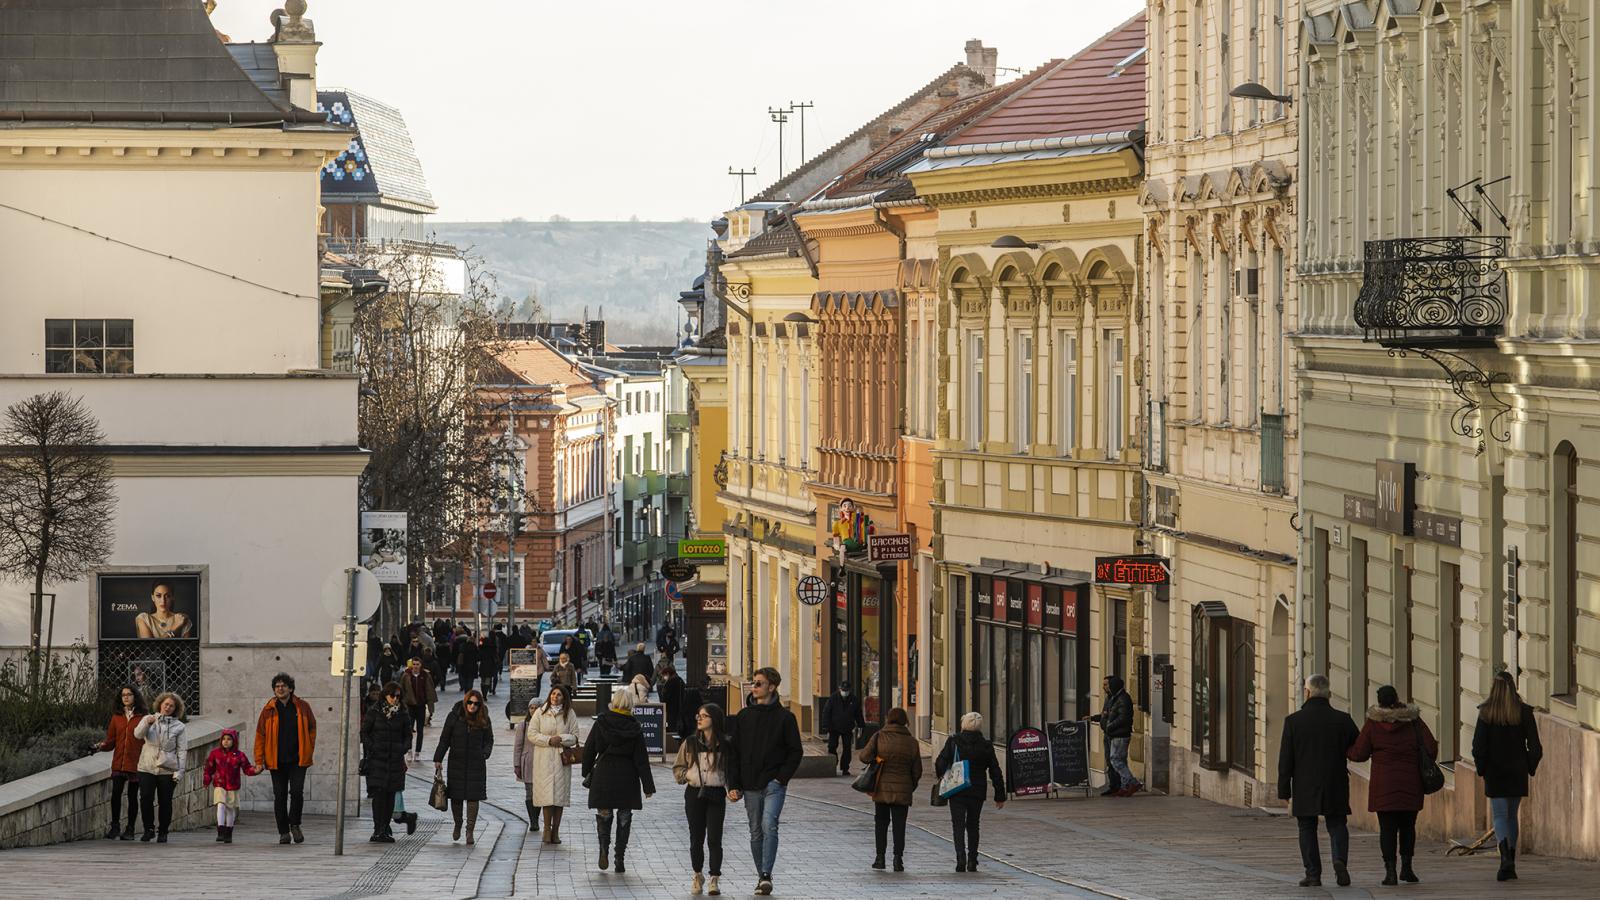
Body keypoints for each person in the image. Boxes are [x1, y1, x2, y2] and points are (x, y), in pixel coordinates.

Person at [1347, 685, 1437, 885]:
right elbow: (1431, 747)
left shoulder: (1373, 724)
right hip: (1410, 782)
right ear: (1397, 698)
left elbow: (1359, 754)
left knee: (1387, 829)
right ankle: (1407, 868)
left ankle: (1390, 873)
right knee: (1408, 827)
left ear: (1379, 701)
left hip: (1384, 785)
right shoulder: (1413, 721)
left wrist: (1346, 750)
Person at [1278, 673, 1360, 888]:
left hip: (1305, 783)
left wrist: (1284, 791)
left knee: (1306, 827)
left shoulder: (1294, 721)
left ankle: (1313, 874)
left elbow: (1285, 759)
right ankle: (1339, 859)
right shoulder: (1343, 720)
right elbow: (1357, 747)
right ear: (1329, 694)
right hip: (1335, 780)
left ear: (1307, 692)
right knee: (1337, 824)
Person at [728, 667, 802, 896]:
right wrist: (734, 785)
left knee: (769, 825)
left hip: (773, 784)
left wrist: (780, 779)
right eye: (753, 683)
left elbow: (795, 752)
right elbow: (734, 753)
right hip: (749, 783)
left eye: (759, 683)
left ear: (771, 687)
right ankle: (761, 876)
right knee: (755, 831)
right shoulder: (744, 716)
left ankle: (766, 874)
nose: (754, 686)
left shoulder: (785, 718)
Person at [1472, 669, 1543, 882]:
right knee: (1511, 816)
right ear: (1513, 688)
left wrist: (1481, 768)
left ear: (1494, 688)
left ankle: (1505, 860)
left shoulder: (1486, 713)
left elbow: (1478, 746)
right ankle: (1510, 859)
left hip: (1495, 771)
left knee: (1501, 816)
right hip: (1517, 771)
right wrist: (1529, 766)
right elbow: (1536, 747)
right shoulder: (1523, 712)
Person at [583, 686, 656, 873]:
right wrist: (648, 786)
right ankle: (619, 856)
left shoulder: (601, 723)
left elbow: (589, 749)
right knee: (624, 816)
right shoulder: (634, 727)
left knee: (604, 813)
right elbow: (641, 759)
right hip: (627, 775)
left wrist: (586, 772)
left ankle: (603, 849)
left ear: (614, 703)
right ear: (630, 705)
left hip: (604, 773)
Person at [674, 703, 734, 896]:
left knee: (715, 838)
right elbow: (678, 766)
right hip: (694, 793)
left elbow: (731, 770)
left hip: (716, 794)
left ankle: (714, 878)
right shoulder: (690, 742)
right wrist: (687, 776)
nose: (699, 719)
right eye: (698, 715)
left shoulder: (725, 744)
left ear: (714, 720)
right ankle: (697, 874)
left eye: (704, 716)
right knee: (696, 838)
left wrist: (732, 788)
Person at [935, 711, 1006, 872]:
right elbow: (995, 770)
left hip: (957, 788)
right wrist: (999, 795)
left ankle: (961, 857)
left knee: (958, 824)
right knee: (974, 825)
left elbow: (940, 763)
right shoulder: (986, 745)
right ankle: (973, 860)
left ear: (963, 724)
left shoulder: (954, 741)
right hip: (977, 789)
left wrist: (942, 774)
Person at [254, 672, 317, 845]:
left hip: (298, 759)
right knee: (279, 795)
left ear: (290, 688)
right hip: (276, 760)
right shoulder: (268, 710)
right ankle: (283, 831)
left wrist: (308, 748)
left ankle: (295, 824)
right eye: (277, 686)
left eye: (283, 686)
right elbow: (260, 735)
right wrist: (259, 760)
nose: (280, 689)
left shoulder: (302, 706)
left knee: (297, 793)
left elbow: (312, 727)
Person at [859, 707, 922, 872]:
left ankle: (880, 858)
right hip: (903, 790)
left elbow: (863, 757)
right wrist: (910, 785)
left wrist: (877, 759)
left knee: (881, 823)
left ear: (888, 719)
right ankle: (898, 860)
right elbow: (917, 771)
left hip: (881, 788)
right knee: (899, 825)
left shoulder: (879, 737)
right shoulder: (912, 742)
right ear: (905, 721)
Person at [515, 684, 579, 844]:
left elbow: (575, 736)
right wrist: (549, 740)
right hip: (543, 759)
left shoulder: (569, 713)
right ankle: (546, 830)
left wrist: (562, 739)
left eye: (558, 695)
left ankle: (556, 831)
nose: (555, 697)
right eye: (553, 694)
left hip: (561, 760)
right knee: (546, 797)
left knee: (559, 798)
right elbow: (532, 734)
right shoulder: (540, 712)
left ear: (564, 697)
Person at [434, 688, 494, 844]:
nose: (472, 706)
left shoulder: (484, 719)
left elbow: (489, 740)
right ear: (465, 701)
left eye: (476, 703)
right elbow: (444, 739)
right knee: (456, 796)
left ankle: (470, 831)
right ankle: (458, 823)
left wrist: (485, 753)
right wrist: (438, 758)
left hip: (476, 763)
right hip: (457, 762)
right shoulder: (454, 716)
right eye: (470, 702)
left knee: (474, 797)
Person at [90, 684, 148, 840]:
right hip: (119, 762)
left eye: (129, 694)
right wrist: (99, 747)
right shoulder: (117, 717)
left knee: (132, 796)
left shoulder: (143, 717)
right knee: (115, 794)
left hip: (136, 763)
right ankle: (114, 827)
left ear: (135, 696)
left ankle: (130, 829)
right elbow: (111, 741)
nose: (126, 697)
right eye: (123, 695)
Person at [360, 681, 414, 843]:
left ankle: (384, 829)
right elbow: (364, 732)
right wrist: (372, 747)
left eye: (398, 696)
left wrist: (403, 748)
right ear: (386, 695)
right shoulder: (374, 712)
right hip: (378, 760)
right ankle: (378, 829)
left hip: (395, 761)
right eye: (393, 696)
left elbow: (408, 735)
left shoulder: (403, 714)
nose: (395, 699)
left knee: (390, 795)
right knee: (379, 795)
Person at [133, 691, 188, 843]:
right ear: (160, 705)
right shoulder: (149, 719)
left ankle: (163, 831)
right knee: (145, 798)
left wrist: (179, 772)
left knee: (165, 801)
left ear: (175, 709)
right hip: (146, 766)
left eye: (171, 706)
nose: (168, 707)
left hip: (167, 769)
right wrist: (146, 723)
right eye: (166, 704)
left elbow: (182, 750)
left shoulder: (180, 727)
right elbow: (137, 735)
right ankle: (148, 829)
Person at [202, 727, 261, 843]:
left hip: (233, 786)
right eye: (224, 739)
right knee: (220, 805)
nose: (226, 741)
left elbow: (247, 768)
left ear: (234, 741)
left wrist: (256, 770)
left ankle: (228, 832)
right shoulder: (215, 754)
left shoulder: (239, 755)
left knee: (230, 808)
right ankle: (220, 830)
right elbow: (208, 768)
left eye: (229, 739)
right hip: (219, 784)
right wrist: (206, 780)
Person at [1085, 675, 1140, 796]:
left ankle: (1133, 782)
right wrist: (1093, 718)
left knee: (1116, 760)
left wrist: (1109, 726)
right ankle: (1121, 786)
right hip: (1110, 734)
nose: (1104, 687)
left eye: (1106, 685)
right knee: (1114, 761)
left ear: (1113, 685)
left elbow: (1123, 718)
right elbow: (1106, 715)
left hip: (1119, 735)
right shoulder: (1111, 698)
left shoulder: (1123, 699)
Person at [822, 681, 866, 776]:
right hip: (834, 728)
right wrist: (826, 726)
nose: (845, 692)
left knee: (847, 748)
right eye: (843, 690)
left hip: (847, 727)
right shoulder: (833, 698)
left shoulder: (853, 700)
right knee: (832, 747)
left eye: (846, 690)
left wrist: (861, 725)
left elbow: (858, 714)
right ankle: (833, 765)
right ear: (839, 689)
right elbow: (826, 712)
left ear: (850, 690)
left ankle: (845, 768)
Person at [400, 656, 437, 761]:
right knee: (409, 729)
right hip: (410, 706)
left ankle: (417, 752)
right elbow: (401, 689)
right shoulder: (406, 675)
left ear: (421, 665)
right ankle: (409, 750)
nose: (415, 666)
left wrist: (430, 706)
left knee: (420, 730)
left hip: (421, 706)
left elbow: (430, 690)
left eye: (417, 664)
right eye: (414, 664)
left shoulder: (425, 675)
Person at [657, 664, 686, 738]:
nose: (663, 678)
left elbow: (666, 698)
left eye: (664, 675)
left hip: (671, 709)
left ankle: (673, 743)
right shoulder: (680, 680)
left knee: (672, 727)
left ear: (667, 674)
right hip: (681, 708)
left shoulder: (670, 683)